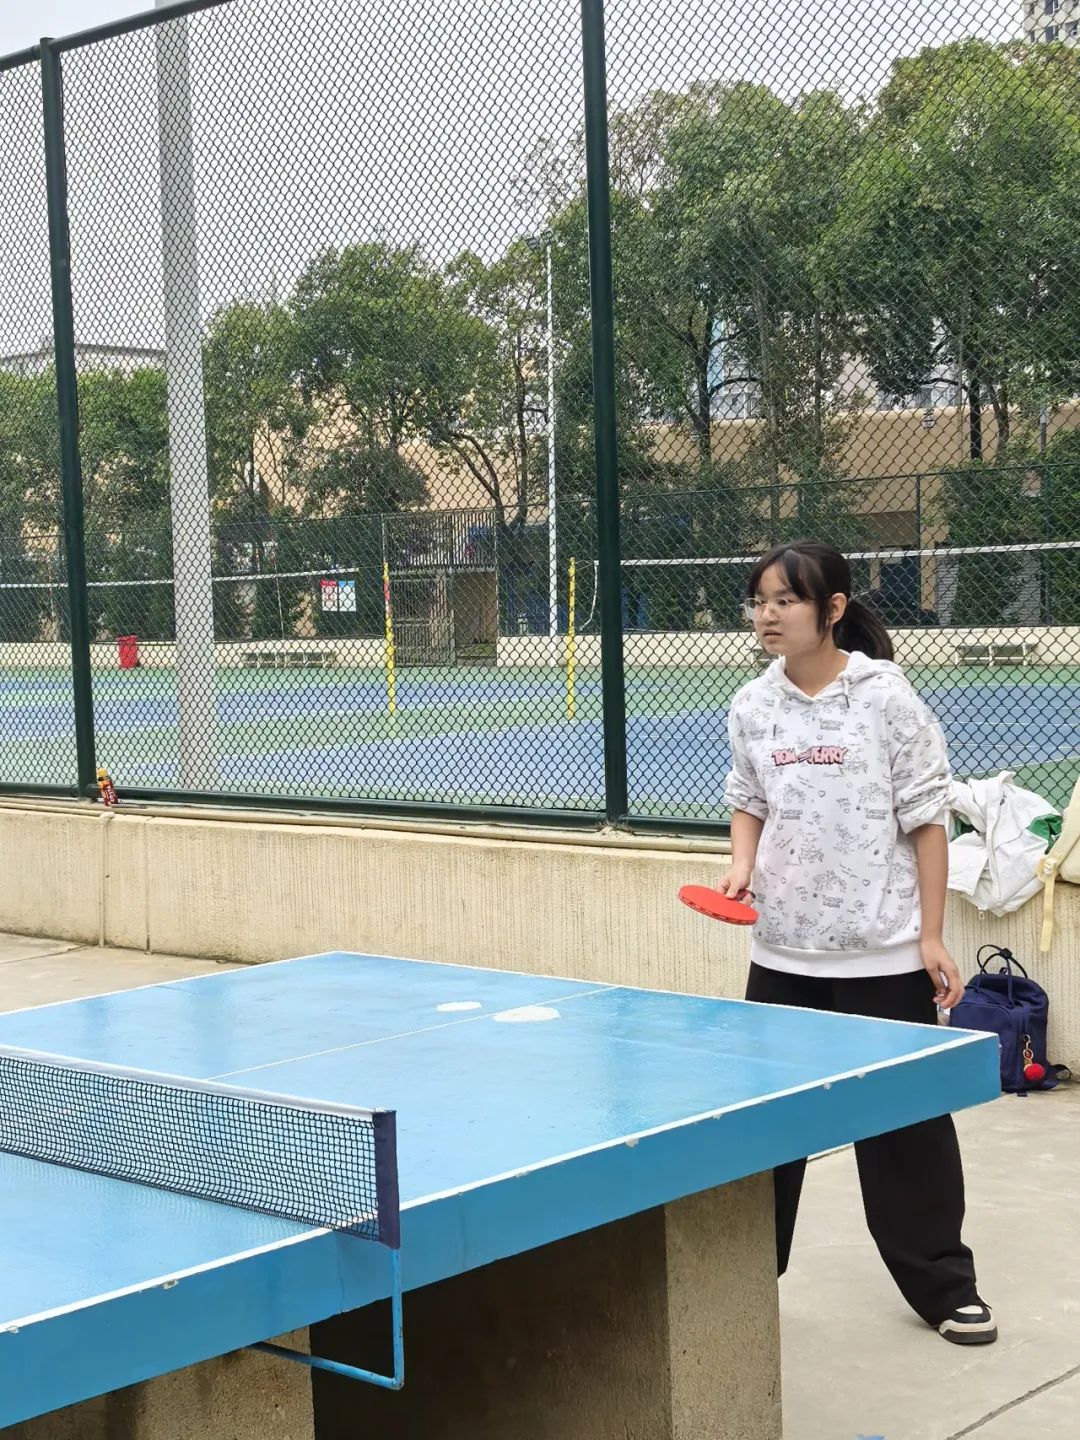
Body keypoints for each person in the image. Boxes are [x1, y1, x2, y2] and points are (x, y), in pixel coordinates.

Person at [720, 539, 996, 1346]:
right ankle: (741, 1281)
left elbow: (928, 819)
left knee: (907, 1126)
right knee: (766, 1129)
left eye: (785, 601)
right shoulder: (752, 704)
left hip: (883, 950)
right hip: (782, 953)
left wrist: (932, 935)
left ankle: (943, 1285)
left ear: (832, 609)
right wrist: (741, 865)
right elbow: (748, 799)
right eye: (760, 601)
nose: (767, 616)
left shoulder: (887, 699)